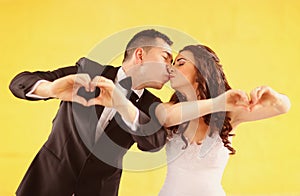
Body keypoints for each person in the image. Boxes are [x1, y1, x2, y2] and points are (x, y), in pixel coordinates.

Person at [93, 44, 291, 196]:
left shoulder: (228, 113)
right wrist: (218, 102)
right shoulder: (167, 108)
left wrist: (275, 97)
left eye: (180, 63)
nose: (171, 69)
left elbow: (282, 108)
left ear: (202, 70)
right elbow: (167, 117)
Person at [9, 29, 173, 196]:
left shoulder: (152, 105)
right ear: (140, 55)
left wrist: (122, 104)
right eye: (166, 58)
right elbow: (19, 82)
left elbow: (155, 143)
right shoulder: (88, 71)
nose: (171, 68)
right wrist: (50, 89)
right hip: (46, 183)